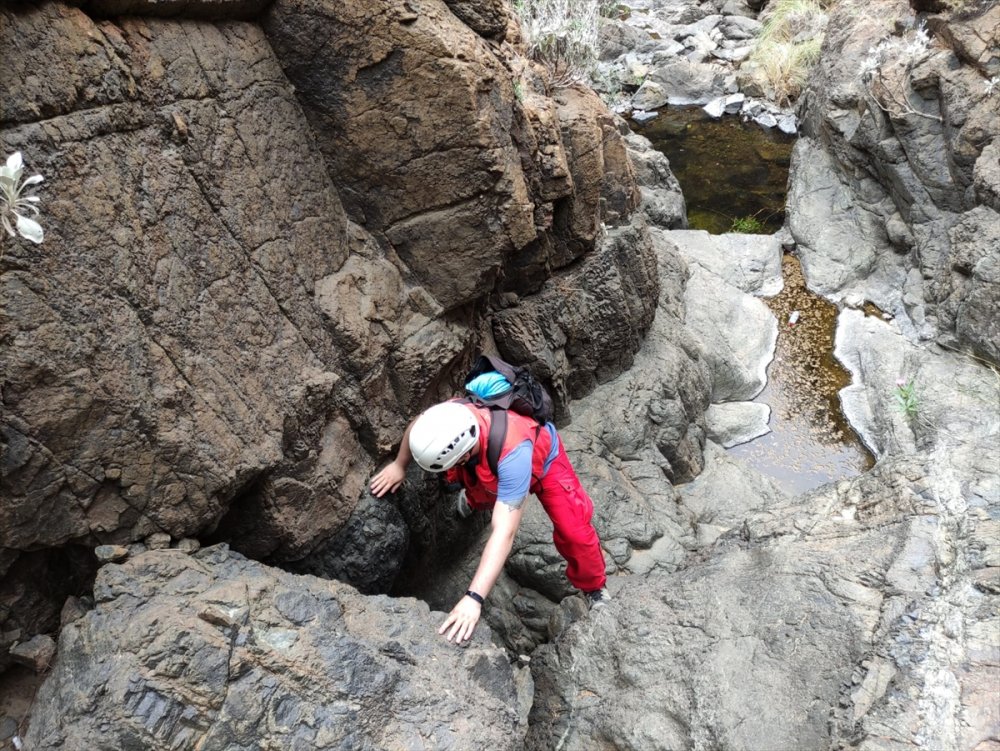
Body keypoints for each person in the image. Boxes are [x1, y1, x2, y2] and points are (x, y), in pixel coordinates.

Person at [370, 374, 609, 644]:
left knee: (574, 530)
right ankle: (475, 500)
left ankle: (595, 588)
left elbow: (504, 533)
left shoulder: (513, 455)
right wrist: (400, 465)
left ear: (461, 453)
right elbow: (417, 428)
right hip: (492, 462)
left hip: (543, 460)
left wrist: (473, 598)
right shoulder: (449, 417)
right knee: (484, 480)